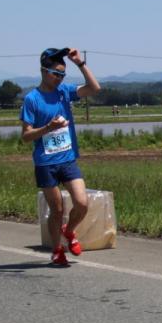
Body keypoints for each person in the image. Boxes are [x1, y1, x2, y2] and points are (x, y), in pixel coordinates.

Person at [21, 47, 101, 266]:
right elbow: (26, 136)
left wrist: (79, 63)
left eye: (63, 74)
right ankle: (57, 250)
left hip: (67, 159)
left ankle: (70, 231)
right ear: (43, 72)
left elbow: (95, 88)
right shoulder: (32, 99)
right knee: (56, 209)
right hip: (46, 163)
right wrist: (47, 128)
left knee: (82, 203)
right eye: (56, 73)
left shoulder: (64, 92)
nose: (60, 78)